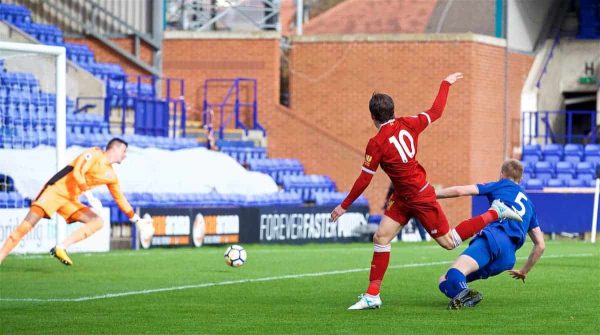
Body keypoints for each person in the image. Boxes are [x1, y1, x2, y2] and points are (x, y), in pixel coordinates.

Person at [329, 73, 523, 310]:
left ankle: (495, 212)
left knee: (450, 242)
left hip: (420, 197)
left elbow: (363, 180)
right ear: (392, 111)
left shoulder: (376, 143)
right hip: (402, 197)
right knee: (381, 237)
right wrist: (445, 84)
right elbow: (436, 111)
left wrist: (343, 206)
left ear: (372, 116)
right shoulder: (409, 123)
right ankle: (372, 295)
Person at [0, 138, 149, 266]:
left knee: (97, 221)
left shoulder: (112, 175)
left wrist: (137, 220)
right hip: (55, 191)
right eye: (124, 151)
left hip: (69, 200)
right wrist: (90, 197)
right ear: (114, 148)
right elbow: (78, 171)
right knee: (23, 230)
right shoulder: (95, 153)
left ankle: (61, 247)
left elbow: (120, 199)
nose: (125, 156)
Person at [436, 159, 545, 309]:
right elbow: (540, 245)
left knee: (455, 272)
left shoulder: (500, 184)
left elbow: (460, 191)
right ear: (521, 179)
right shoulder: (529, 205)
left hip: (494, 238)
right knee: (445, 279)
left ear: (501, 174)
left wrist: (432, 195)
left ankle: (465, 292)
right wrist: (524, 271)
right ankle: (463, 295)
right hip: (507, 259)